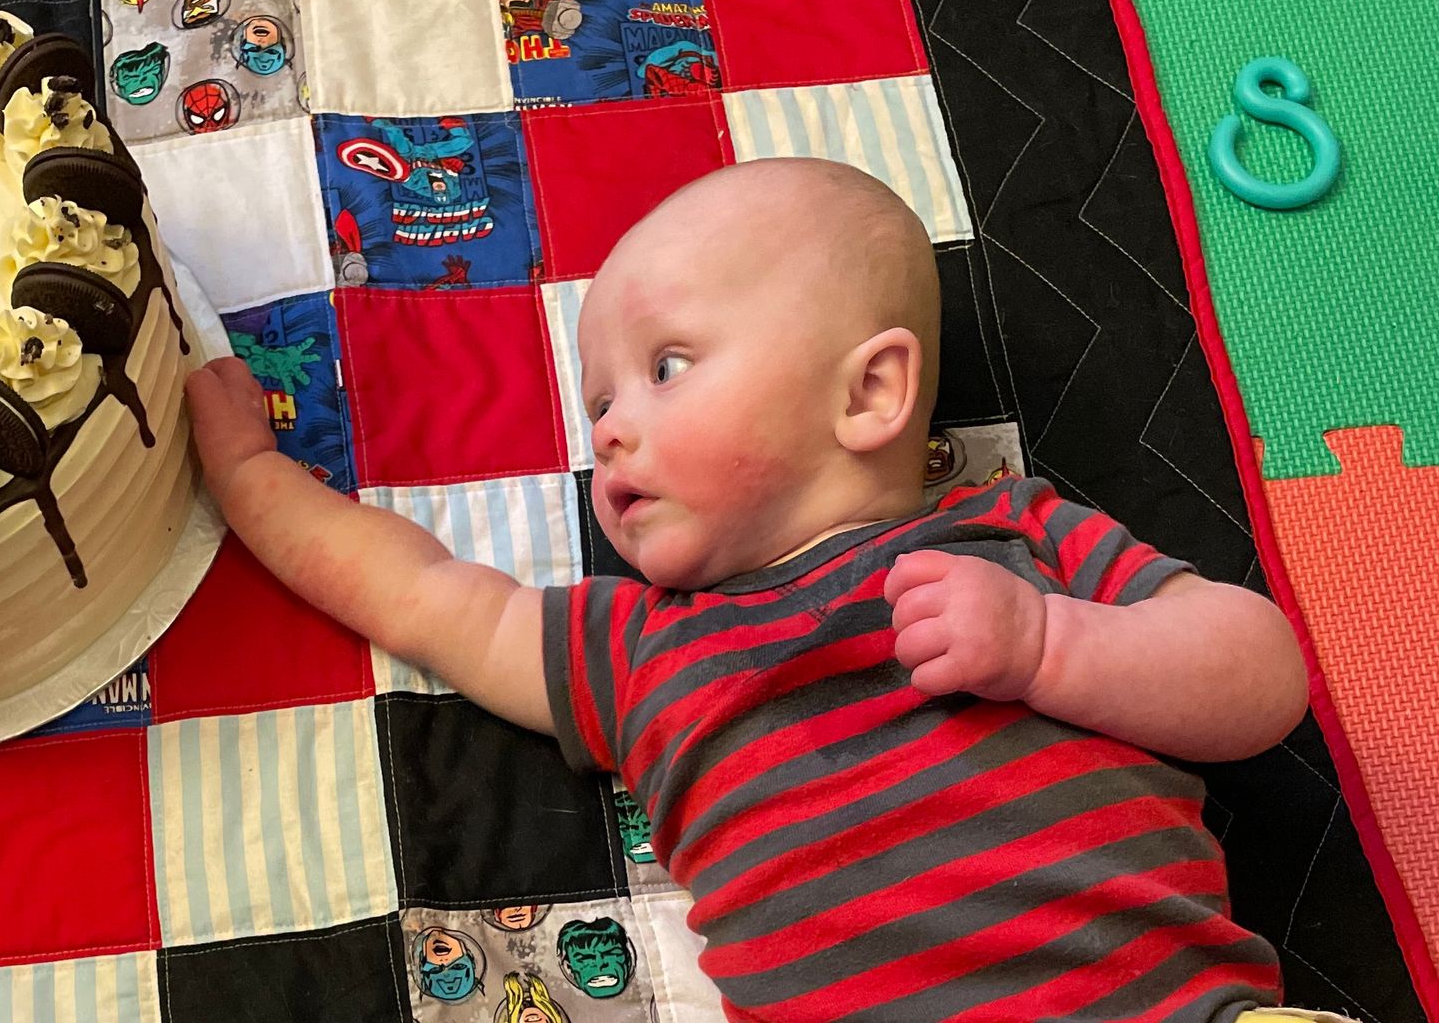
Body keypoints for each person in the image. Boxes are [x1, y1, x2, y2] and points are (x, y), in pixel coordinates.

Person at [188, 157, 1329, 1021]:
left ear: (871, 391)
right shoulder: (633, 648)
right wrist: (247, 477)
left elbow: (1261, 678)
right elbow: (420, 593)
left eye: (664, 366)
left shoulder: (1015, 537)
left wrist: (1048, 646)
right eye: (594, 408)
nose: (610, 431)